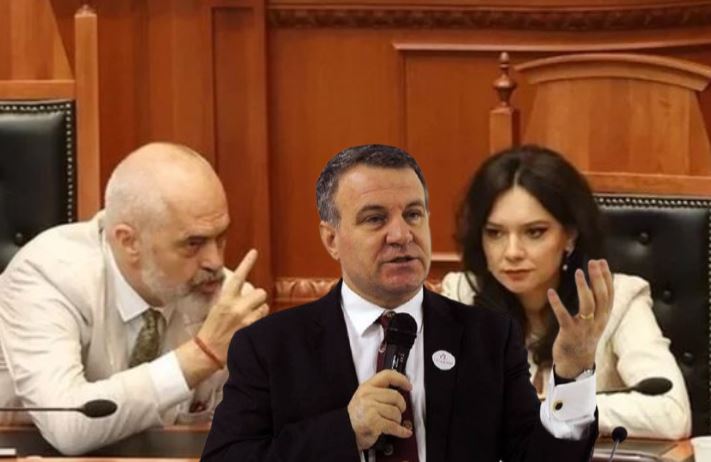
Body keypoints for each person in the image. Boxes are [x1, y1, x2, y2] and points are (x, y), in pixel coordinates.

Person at [203, 144, 611, 462]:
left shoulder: (487, 337)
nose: (401, 235)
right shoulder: (270, 347)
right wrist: (345, 431)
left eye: (413, 214)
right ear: (331, 239)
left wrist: (573, 374)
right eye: (375, 219)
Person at [0, 142, 269, 455]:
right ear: (129, 242)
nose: (214, 262)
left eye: (220, 238)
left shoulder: (226, 303)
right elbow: (68, 424)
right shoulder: (48, 274)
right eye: (193, 243)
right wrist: (200, 357)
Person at [441, 144, 691, 439]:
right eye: (495, 233)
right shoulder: (461, 296)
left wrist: (556, 410)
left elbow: (671, 413)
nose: (512, 252)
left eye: (534, 232)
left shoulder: (617, 299)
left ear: (570, 235)